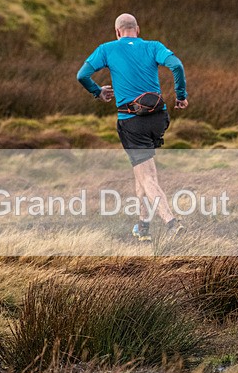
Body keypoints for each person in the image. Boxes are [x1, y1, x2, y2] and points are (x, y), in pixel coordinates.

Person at [77, 13, 188, 241]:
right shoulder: (153, 46)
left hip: (131, 122)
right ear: (137, 30)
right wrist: (181, 96)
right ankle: (143, 228)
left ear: (117, 32)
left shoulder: (107, 49)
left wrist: (98, 91)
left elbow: (82, 75)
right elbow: (176, 66)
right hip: (159, 118)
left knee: (147, 177)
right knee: (143, 172)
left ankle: (171, 222)